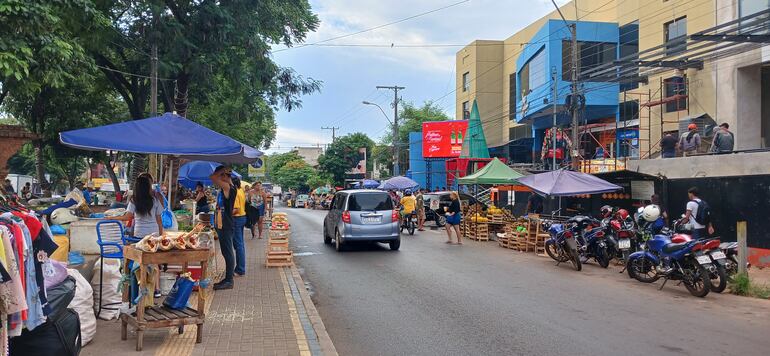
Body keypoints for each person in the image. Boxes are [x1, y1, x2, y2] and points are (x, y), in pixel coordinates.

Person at [111, 173, 164, 298]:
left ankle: (139, 288)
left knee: (139, 262)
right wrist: (161, 236)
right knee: (154, 262)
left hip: (139, 236)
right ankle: (157, 289)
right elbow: (159, 220)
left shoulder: (134, 200)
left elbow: (127, 216)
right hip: (153, 236)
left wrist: (112, 217)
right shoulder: (154, 200)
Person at [210, 166, 236, 290]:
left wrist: (222, 169)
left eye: (221, 176)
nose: (218, 179)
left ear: (225, 176)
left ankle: (229, 280)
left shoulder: (228, 188)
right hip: (222, 224)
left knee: (228, 252)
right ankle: (227, 278)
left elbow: (213, 177)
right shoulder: (226, 188)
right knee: (227, 252)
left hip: (226, 224)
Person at [231, 176, 247, 277]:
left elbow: (235, 209)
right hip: (242, 217)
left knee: (238, 245)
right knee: (240, 244)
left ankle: (240, 269)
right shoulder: (241, 190)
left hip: (236, 218)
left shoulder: (235, 192)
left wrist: (226, 214)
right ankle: (240, 267)